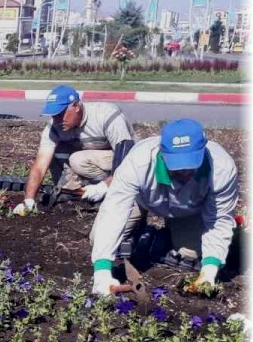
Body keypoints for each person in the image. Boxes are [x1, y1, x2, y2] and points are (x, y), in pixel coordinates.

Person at [90, 119, 238, 296]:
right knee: (97, 238)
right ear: (161, 151)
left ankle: (160, 238)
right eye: (177, 163)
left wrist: (209, 271)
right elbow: (114, 211)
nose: (184, 171)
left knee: (192, 254)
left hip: (187, 212)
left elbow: (218, 219)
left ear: (204, 147)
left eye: (191, 163)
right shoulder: (138, 162)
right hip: (142, 201)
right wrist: (102, 271)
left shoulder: (222, 168)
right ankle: (140, 232)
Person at [12, 85, 136, 216]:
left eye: (60, 114)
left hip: (128, 161)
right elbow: (40, 166)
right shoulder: (54, 127)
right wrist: (29, 200)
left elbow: (125, 156)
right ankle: (73, 194)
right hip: (94, 160)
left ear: (76, 106)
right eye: (54, 116)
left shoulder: (106, 114)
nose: (57, 121)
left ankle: (111, 194)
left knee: (78, 160)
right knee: (56, 151)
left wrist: (105, 186)